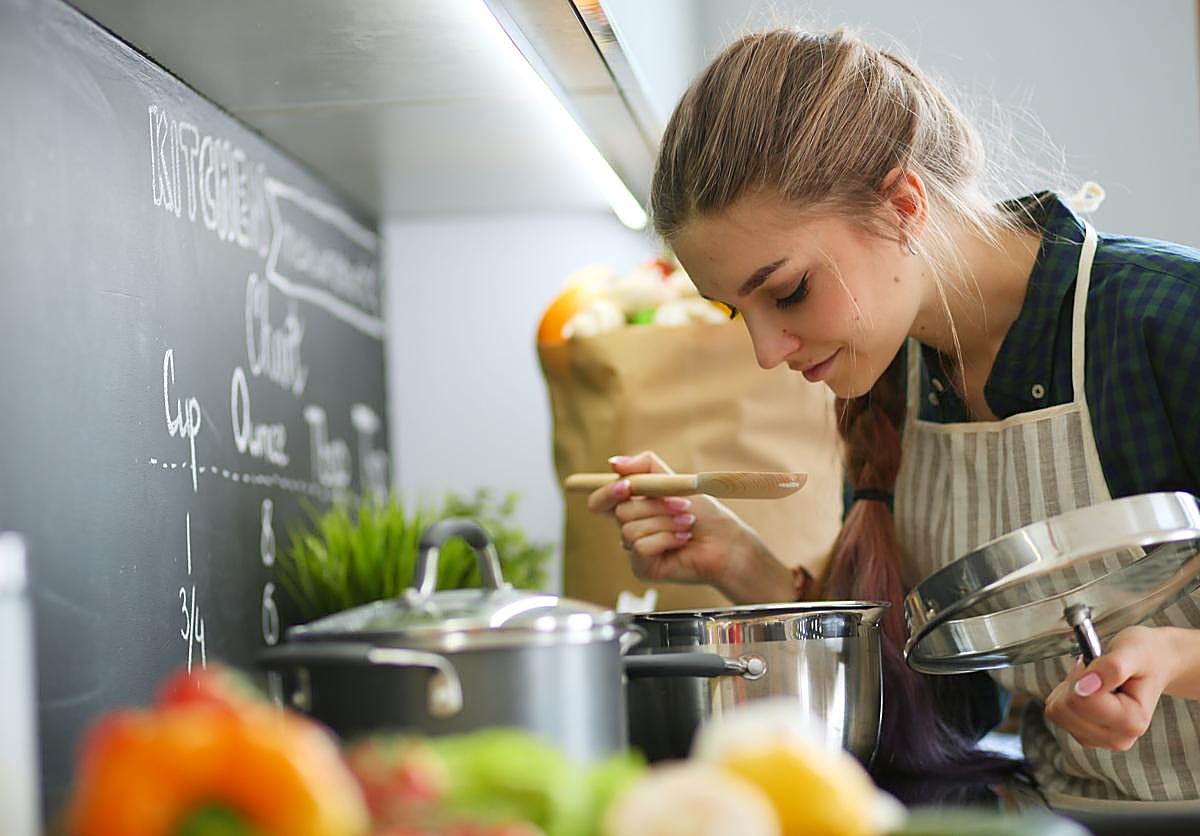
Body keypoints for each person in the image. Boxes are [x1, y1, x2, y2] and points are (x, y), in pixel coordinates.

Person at [587, 27, 1200, 809]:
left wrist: (1175, 656)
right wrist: (740, 565)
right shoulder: (893, 380)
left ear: (902, 205)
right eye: (735, 310)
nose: (767, 351)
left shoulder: (1166, 316)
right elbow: (944, 702)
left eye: (789, 290)